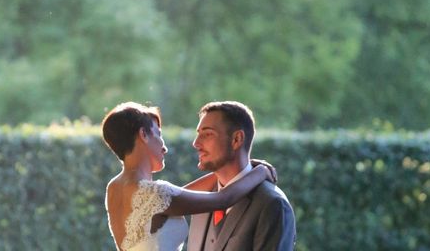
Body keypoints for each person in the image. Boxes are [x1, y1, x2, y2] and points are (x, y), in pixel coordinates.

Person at [101, 102, 276, 251]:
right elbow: (224, 198)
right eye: (159, 135)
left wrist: (245, 166)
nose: (164, 147)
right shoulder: (155, 194)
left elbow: (180, 196)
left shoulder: (114, 188)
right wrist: (261, 171)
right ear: (143, 135)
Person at [187, 101, 296, 251]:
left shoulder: (272, 204)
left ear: (236, 139)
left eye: (207, 134)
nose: (196, 143)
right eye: (198, 134)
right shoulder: (199, 200)